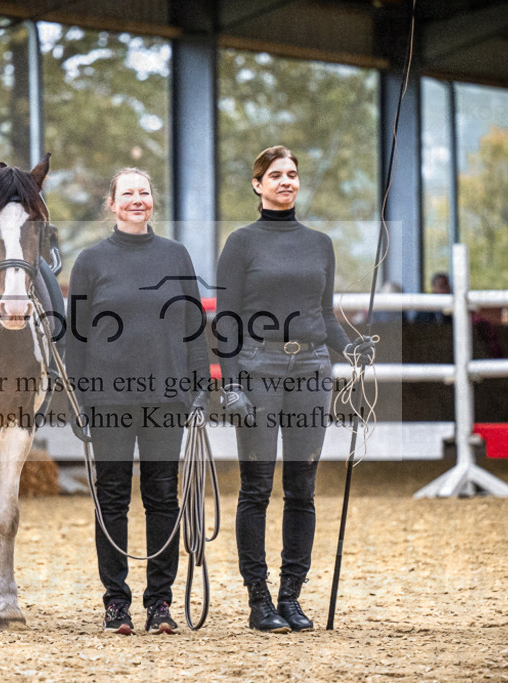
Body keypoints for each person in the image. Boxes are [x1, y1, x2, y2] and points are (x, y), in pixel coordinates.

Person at [215, 145, 374, 633]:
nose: (287, 181)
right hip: (258, 366)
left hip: (311, 369)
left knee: (302, 488)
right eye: (276, 175)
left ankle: (292, 595)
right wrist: (230, 384)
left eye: (292, 174)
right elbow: (226, 319)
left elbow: (324, 315)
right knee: (257, 488)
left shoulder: (319, 243)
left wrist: (351, 346)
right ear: (258, 185)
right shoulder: (241, 243)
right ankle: (258, 599)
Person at [66, 168, 210, 636]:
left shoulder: (176, 256)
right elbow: (78, 337)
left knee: (163, 497)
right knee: (111, 499)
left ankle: (160, 603)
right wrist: (77, 397)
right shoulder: (90, 261)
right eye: (127, 193)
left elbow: (193, 326)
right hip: (107, 399)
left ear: (153, 202)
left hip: (166, 398)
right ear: (111, 203)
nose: (136, 199)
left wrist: (199, 388)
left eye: (143, 192)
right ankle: (116, 603)